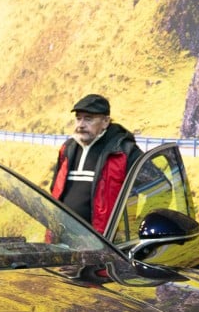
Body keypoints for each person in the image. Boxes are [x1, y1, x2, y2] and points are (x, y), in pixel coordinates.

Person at [48, 93, 143, 234]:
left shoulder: (124, 152)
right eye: (78, 118)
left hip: (103, 242)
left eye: (88, 119)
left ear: (105, 121)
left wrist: (133, 230)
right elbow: (55, 190)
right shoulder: (67, 149)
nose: (81, 125)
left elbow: (159, 187)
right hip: (63, 238)